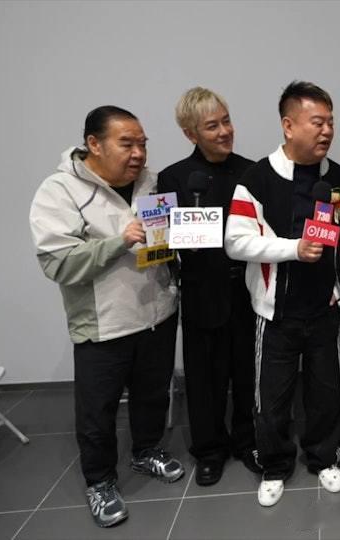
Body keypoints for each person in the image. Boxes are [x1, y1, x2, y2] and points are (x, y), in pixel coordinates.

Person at [29, 106, 184, 528]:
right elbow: (58, 263)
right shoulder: (59, 190)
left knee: (153, 395)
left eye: (143, 144)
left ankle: (146, 451)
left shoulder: (152, 182)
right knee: (98, 411)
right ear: (93, 144)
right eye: (127, 143)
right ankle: (99, 481)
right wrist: (119, 241)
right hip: (103, 324)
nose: (138, 153)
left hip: (157, 312)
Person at [224, 81, 340, 507]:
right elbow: (235, 242)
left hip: (324, 310)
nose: (327, 131)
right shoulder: (257, 179)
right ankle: (274, 465)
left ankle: (325, 457)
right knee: (271, 399)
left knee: (328, 393)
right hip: (276, 314)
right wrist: (293, 249)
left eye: (331, 122)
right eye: (317, 122)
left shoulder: (338, 179)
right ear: (288, 126)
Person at [157, 87, 259, 486]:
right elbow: (160, 241)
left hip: (248, 290)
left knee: (248, 373)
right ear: (191, 133)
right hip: (201, 291)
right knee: (204, 379)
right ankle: (210, 451)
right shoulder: (173, 178)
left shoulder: (252, 172)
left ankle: (248, 441)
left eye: (226, 121)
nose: (224, 132)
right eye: (212, 126)